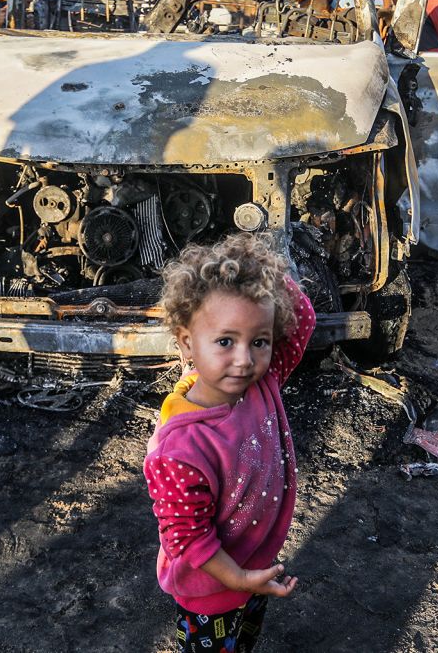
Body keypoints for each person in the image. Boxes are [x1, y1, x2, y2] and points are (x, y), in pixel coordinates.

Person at [143, 233, 315, 653]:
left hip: (254, 571)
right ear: (186, 342)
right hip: (211, 591)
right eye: (225, 341)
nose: (244, 359)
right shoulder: (180, 449)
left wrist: (259, 271)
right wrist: (237, 578)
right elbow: (188, 538)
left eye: (259, 341)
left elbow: (304, 319)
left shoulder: (261, 383)